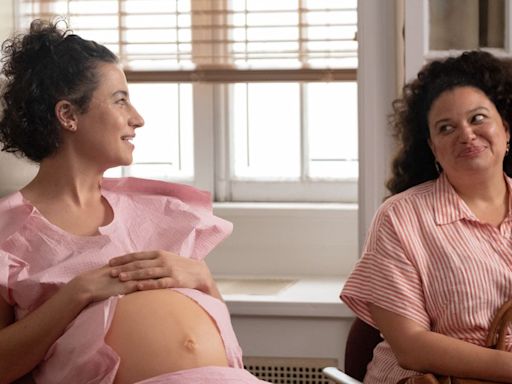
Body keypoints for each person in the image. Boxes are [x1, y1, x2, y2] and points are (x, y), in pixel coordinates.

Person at [0, 19, 269, 384]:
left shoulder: (159, 212)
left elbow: (218, 334)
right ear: (68, 115)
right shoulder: (8, 232)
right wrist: (76, 294)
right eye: (120, 100)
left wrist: (204, 279)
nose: (137, 119)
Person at [341, 50, 512, 383]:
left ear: (506, 129)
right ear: (433, 148)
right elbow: (411, 346)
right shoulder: (400, 218)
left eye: (478, 118)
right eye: (446, 127)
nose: (466, 133)